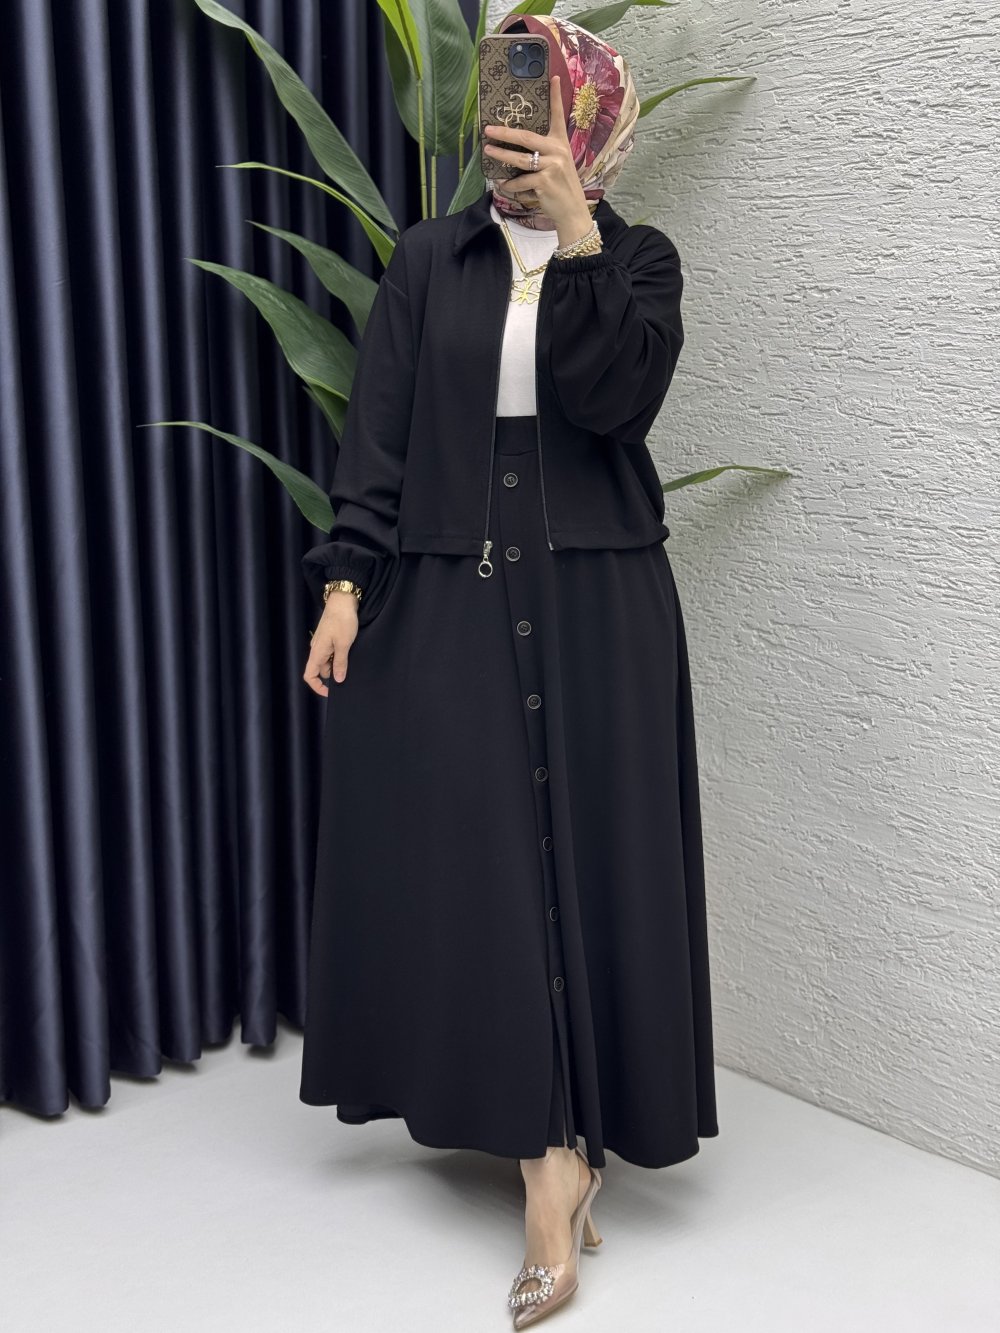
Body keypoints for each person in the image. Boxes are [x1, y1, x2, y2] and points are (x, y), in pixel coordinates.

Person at [300, 12, 718, 1326]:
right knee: (476, 863)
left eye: (540, 109)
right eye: (499, 107)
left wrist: (577, 233)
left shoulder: (638, 260)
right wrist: (346, 583)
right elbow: (379, 431)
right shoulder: (434, 258)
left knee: (591, 862)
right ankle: (549, 1152)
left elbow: (616, 402)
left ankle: (555, 1172)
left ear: (589, 122)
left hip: (598, 599)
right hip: (452, 589)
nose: (512, 133)